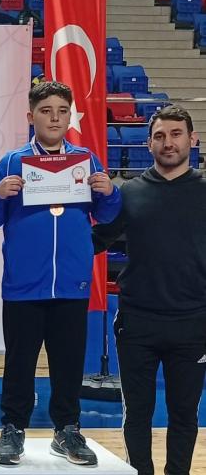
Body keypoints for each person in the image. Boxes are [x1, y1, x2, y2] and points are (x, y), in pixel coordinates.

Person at [0, 81, 121, 467]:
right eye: (46, 111)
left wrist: (109, 192)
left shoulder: (87, 160)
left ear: (70, 116)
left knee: (68, 363)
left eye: (62, 111)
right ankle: (13, 428)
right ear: (31, 116)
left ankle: (67, 429)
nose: (55, 118)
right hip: (24, 285)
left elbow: (107, 215)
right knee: (19, 363)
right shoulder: (12, 162)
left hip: (72, 284)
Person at [93, 106, 206, 475]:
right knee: (137, 413)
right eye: (159, 136)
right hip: (137, 322)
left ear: (192, 140)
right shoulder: (129, 193)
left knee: (184, 414)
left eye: (176, 134)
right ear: (148, 144)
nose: (167, 142)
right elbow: (96, 240)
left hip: (193, 324)